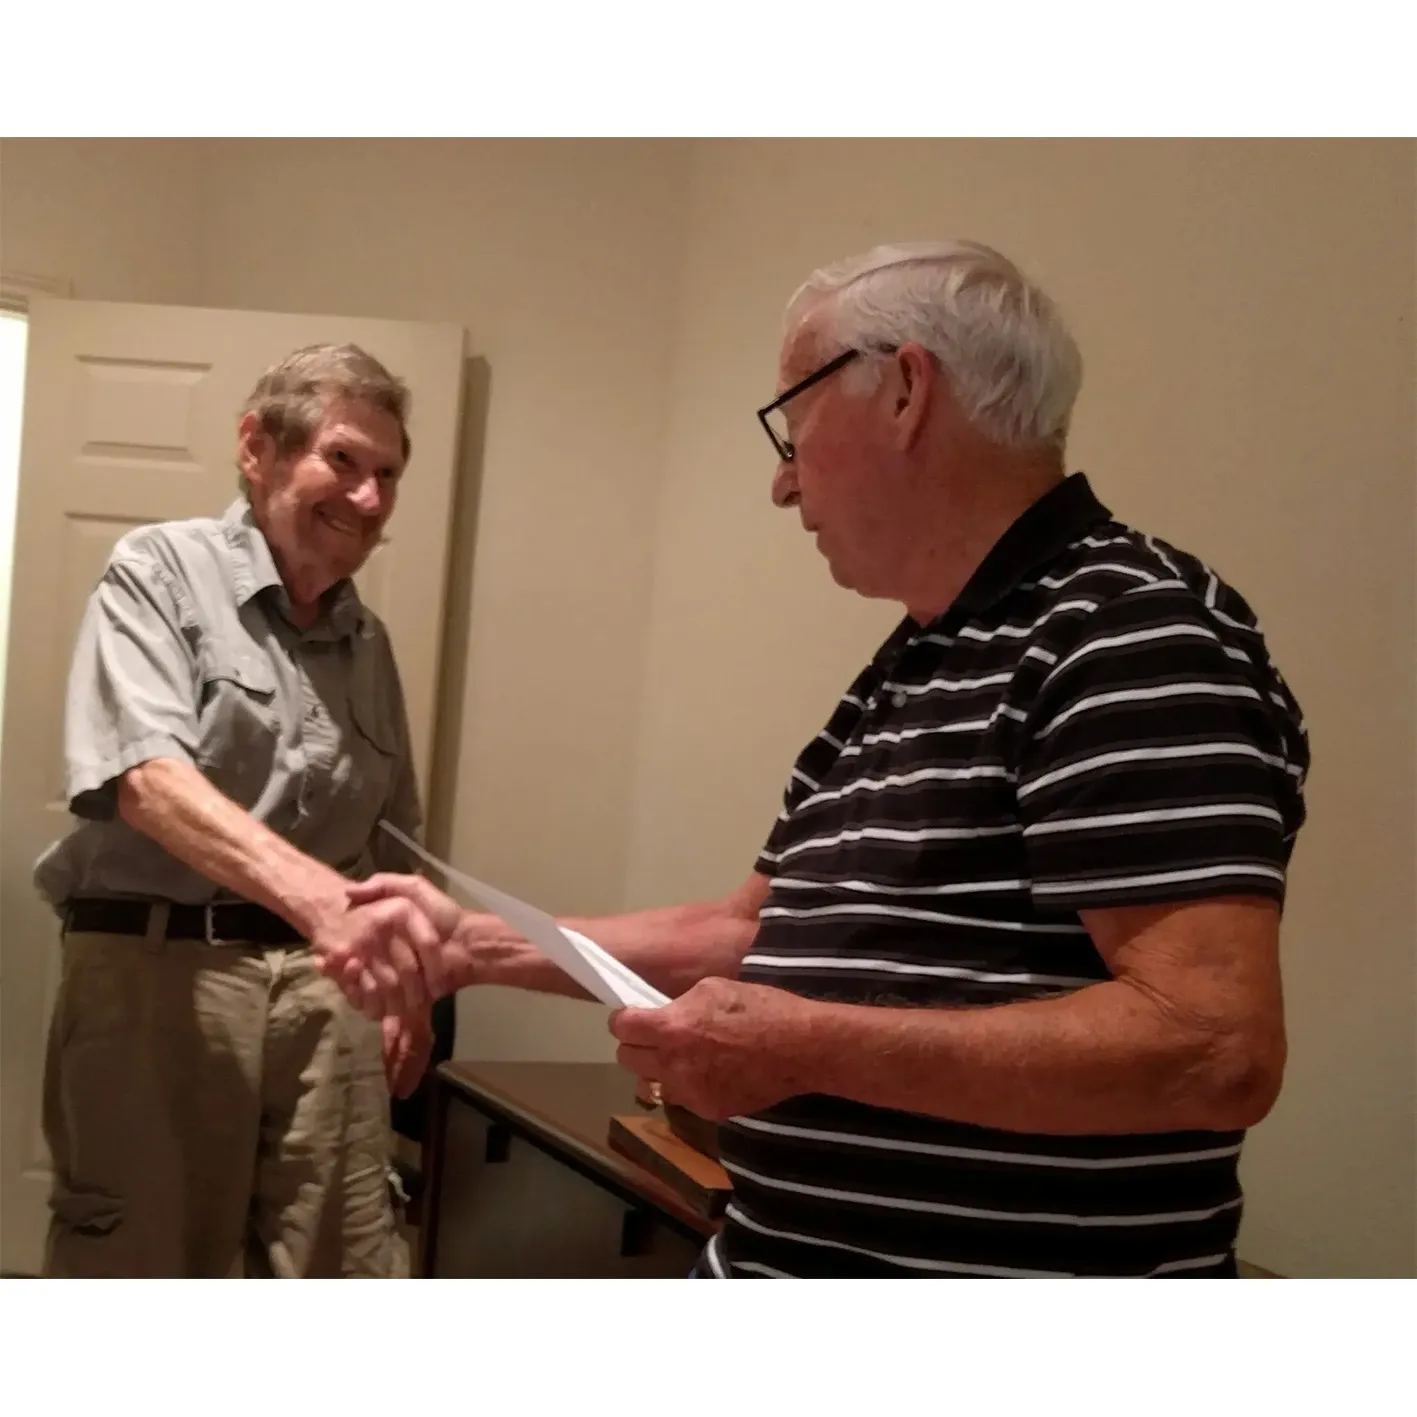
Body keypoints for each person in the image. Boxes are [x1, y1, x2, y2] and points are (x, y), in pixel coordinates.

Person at [344, 241, 1310, 1278]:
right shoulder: (918, 656)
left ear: (904, 389)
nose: (780, 480)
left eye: (790, 425)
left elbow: (1211, 1050)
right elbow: (742, 930)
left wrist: (801, 1045)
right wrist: (470, 946)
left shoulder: (1125, 632)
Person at [35, 343, 450, 1278]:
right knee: (140, 1273)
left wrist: (409, 984)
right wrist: (328, 904)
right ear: (257, 447)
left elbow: (395, 835)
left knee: (341, 1264)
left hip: (327, 990)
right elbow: (144, 777)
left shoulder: (366, 637)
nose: (369, 497)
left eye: (387, 473)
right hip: (159, 975)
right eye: (342, 460)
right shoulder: (158, 570)